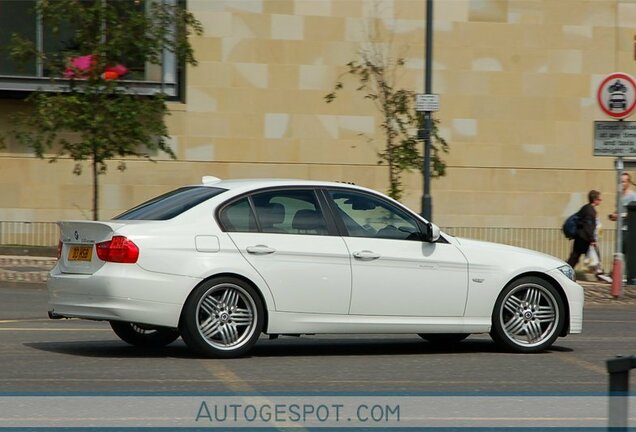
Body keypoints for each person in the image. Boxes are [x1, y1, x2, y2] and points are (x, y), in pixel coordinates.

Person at [567, 190, 602, 271]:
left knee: (575, 257)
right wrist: (592, 239)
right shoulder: (590, 211)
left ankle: (566, 271)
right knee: (594, 256)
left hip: (580, 237)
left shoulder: (586, 208)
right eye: (599, 199)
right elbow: (588, 226)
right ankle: (599, 273)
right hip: (584, 239)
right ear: (595, 200)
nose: (600, 201)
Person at [608, 172, 636, 266]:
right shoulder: (619, 196)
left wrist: (619, 215)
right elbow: (618, 210)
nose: (622, 183)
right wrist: (613, 215)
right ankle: (617, 275)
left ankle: (630, 277)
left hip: (630, 229)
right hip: (620, 230)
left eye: (623, 181)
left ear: (628, 182)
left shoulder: (633, 196)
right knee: (619, 253)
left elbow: (632, 213)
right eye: (620, 181)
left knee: (629, 253)